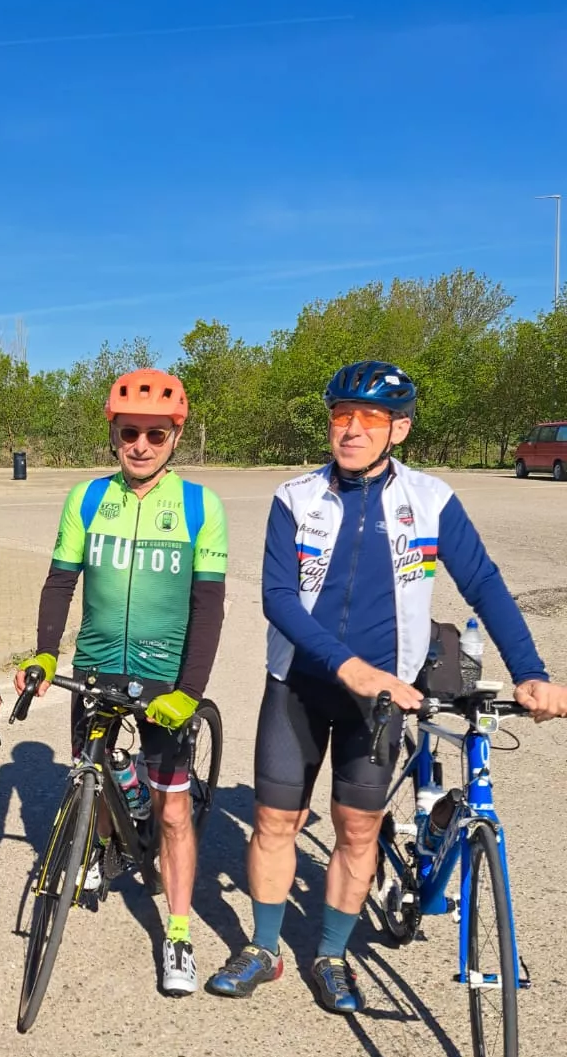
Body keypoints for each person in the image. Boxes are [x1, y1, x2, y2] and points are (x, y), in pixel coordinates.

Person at [207, 359, 567, 1013]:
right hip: (298, 685)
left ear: (397, 429)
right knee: (274, 820)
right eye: (340, 415)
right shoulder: (296, 497)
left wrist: (532, 672)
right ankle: (262, 948)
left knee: (356, 829)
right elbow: (279, 599)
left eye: (368, 418)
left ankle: (332, 955)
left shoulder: (429, 501)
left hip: (384, 696)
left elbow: (483, 584)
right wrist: (348, 667)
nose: (350, 429)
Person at [15, 369, 228, 995]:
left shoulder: (198, 506)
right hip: (99, 665)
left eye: (155, 435)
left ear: (174, 436)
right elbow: (61, 582)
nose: (141, 445)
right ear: (113, 432)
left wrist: (189, 690)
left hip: (166, 677)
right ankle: (102, 841)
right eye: (130, 432)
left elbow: (208, 606)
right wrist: (46, 655)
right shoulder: (86, 499)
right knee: (94, 771)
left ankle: (181, 934)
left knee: (174, 810)